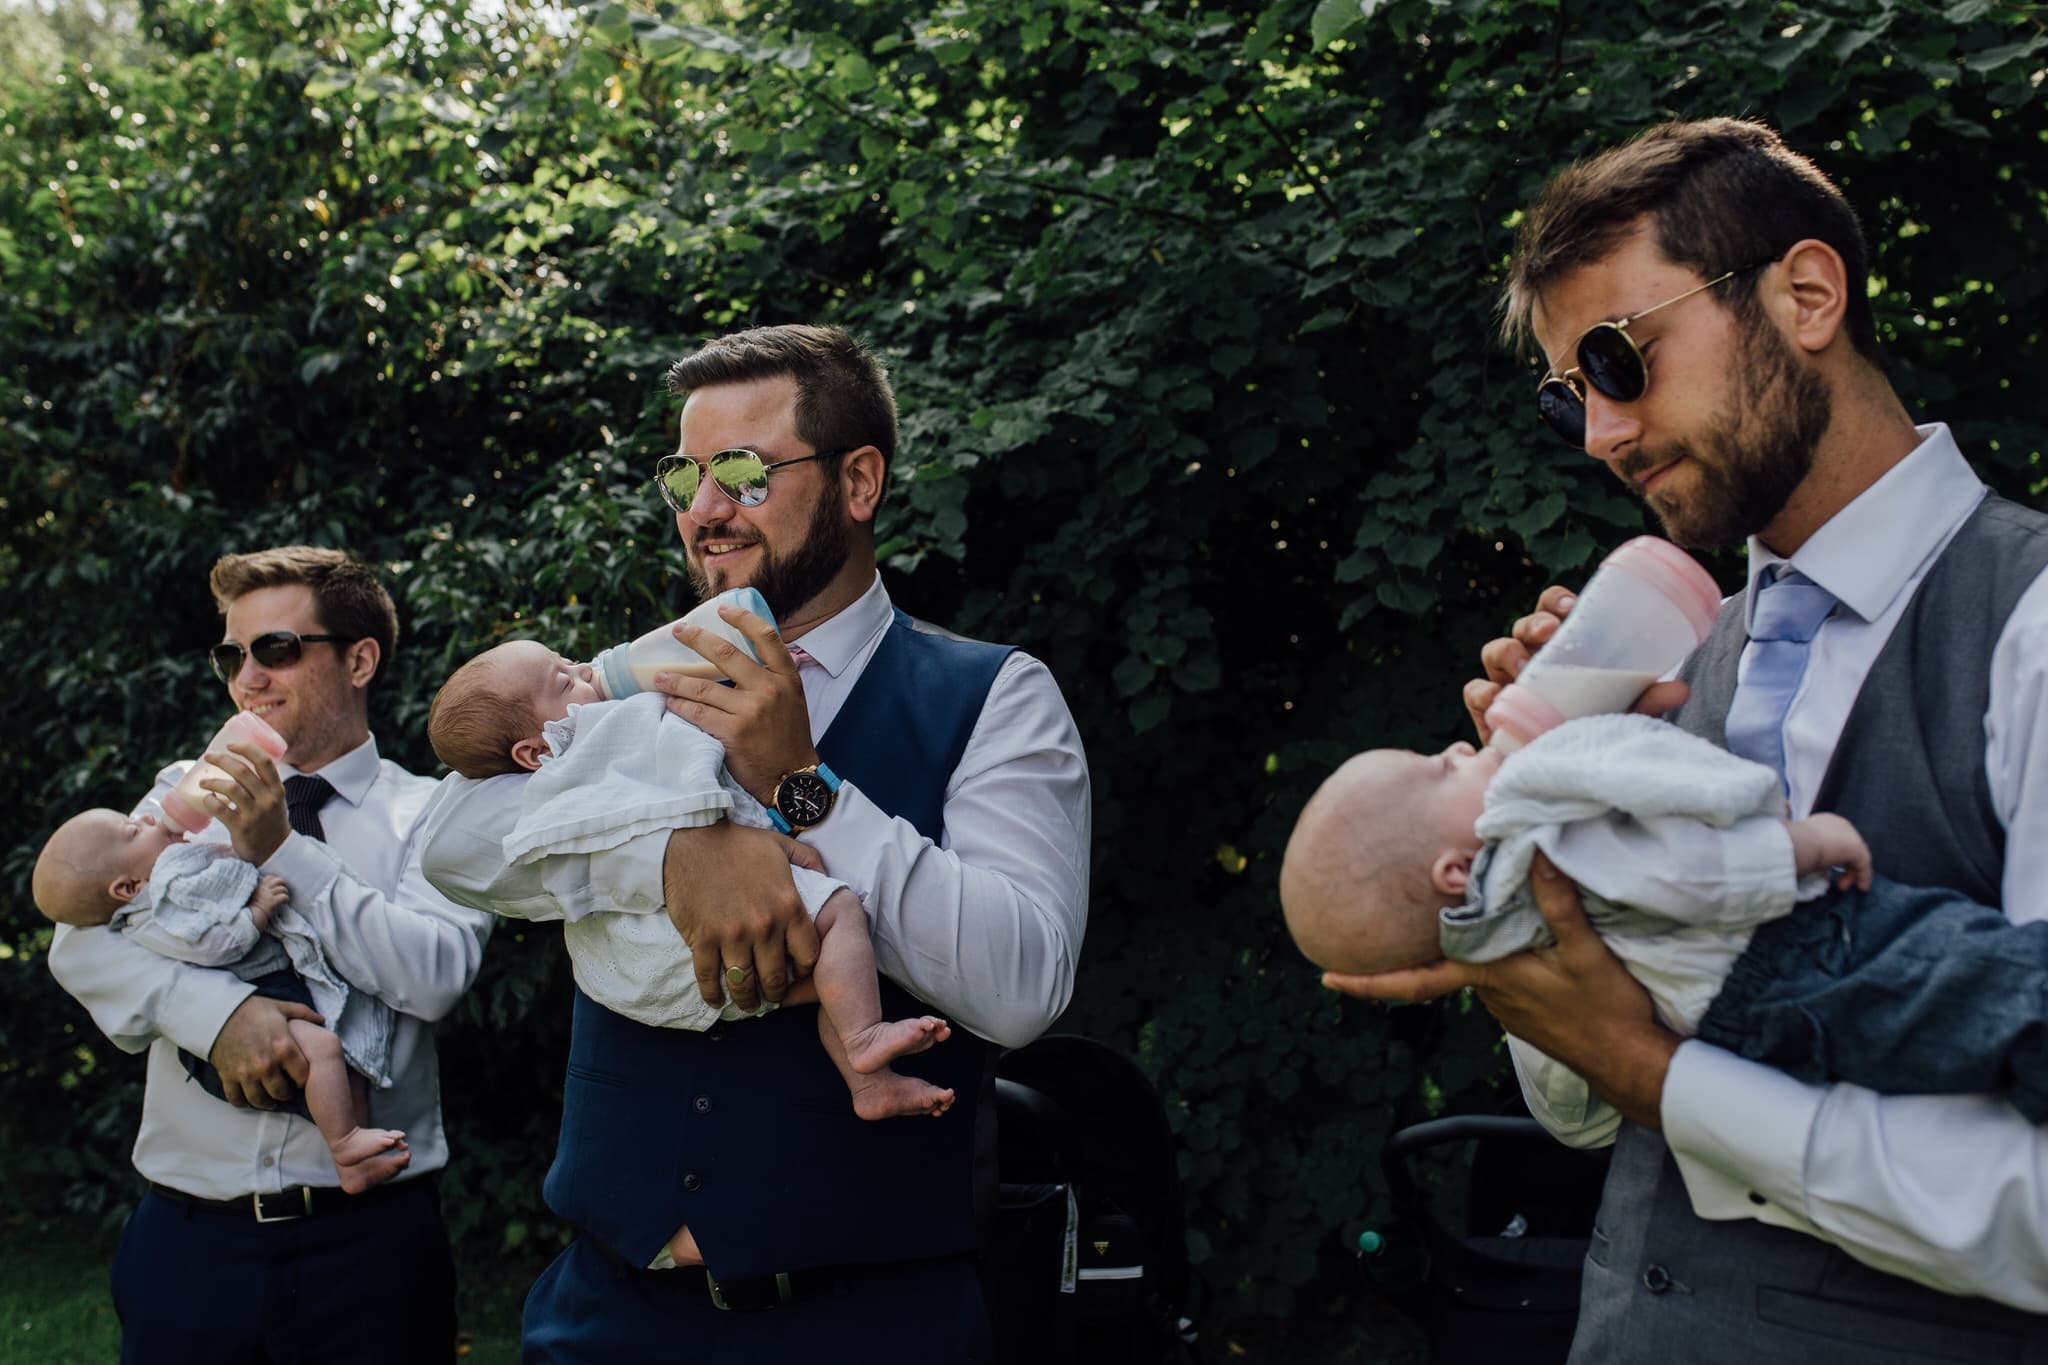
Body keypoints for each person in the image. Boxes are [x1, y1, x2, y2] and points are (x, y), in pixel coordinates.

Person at [1326, 117, 2048, 1356]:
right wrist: (1518, 849)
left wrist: (1664, 1080)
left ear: (1805, 294)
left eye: (1617, 359)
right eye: (1569, 402)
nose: (1601, 435)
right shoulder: (1671, 667)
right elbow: (1585, 1116)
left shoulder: (2027, 621)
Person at [415, 323, 1091, 1358]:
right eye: (682, 475)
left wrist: (798, 788)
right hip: (604, 1313)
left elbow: (1022, 985)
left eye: (740, 471)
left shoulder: (994, 697)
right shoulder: (623, 681)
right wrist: (671, 857)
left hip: (868, 1324)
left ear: (857, 481)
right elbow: (450, 842)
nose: (703, 509)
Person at [46, 546, 494, 1364]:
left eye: (275, 649)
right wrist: (217, 1018)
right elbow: (78, 944)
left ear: (359, 659)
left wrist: (281, 849)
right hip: (189, 1238)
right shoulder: (182, 792)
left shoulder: (431, 814)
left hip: (371, 1247)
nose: (247, 677)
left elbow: (435, 978)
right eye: (232, 654)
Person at [1283, 715, 2048, 1128]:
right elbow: (1688, 871)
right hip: (1792, 954)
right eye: (1438, 767)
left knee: (1950, 1050)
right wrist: (1805, 843)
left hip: (1735, 1028)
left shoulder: (1501, 928)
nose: (1457, 746)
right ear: (1455, 871)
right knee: (2000, 993)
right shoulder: (1536, 821)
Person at [427, 637, 958, 1126]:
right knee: (841, 914)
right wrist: (676, 852)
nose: (585, 668)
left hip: (639, 971)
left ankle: (867, 1082)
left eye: (568, 661)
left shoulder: (573, 758)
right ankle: (863, 1040)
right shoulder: (592, 741)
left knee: (819, 970)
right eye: (565, 680)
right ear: (535, 752)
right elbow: (444, 845)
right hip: (669, 943)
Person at [35, 808, 410, 1192]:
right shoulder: (152, 915)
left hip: (277, 988)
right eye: (134, 829)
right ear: (128, 889)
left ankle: (355, 1153)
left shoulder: (171, 869)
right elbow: (216, 946)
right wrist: (257, 913)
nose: (148, 817)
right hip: (261, 994)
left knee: (348, 1074)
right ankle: (344, 1145)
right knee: (325, 1050)